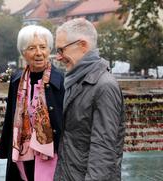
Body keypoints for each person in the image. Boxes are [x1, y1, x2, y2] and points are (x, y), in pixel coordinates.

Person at [54, 18, 125, 181]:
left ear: (83, 45)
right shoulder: (75, 80)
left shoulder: (104, 85)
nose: (58, 57)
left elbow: (103, 151)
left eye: (61, 50)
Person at [0, 25, 65, 181]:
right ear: (23, 52)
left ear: (49, 50)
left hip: (51, 153)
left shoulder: (60, 80)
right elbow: (10, 118)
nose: (39, 53)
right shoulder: (16, 80)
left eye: (43, 47)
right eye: (32, 48)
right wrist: (5, 150)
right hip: (22, 151)